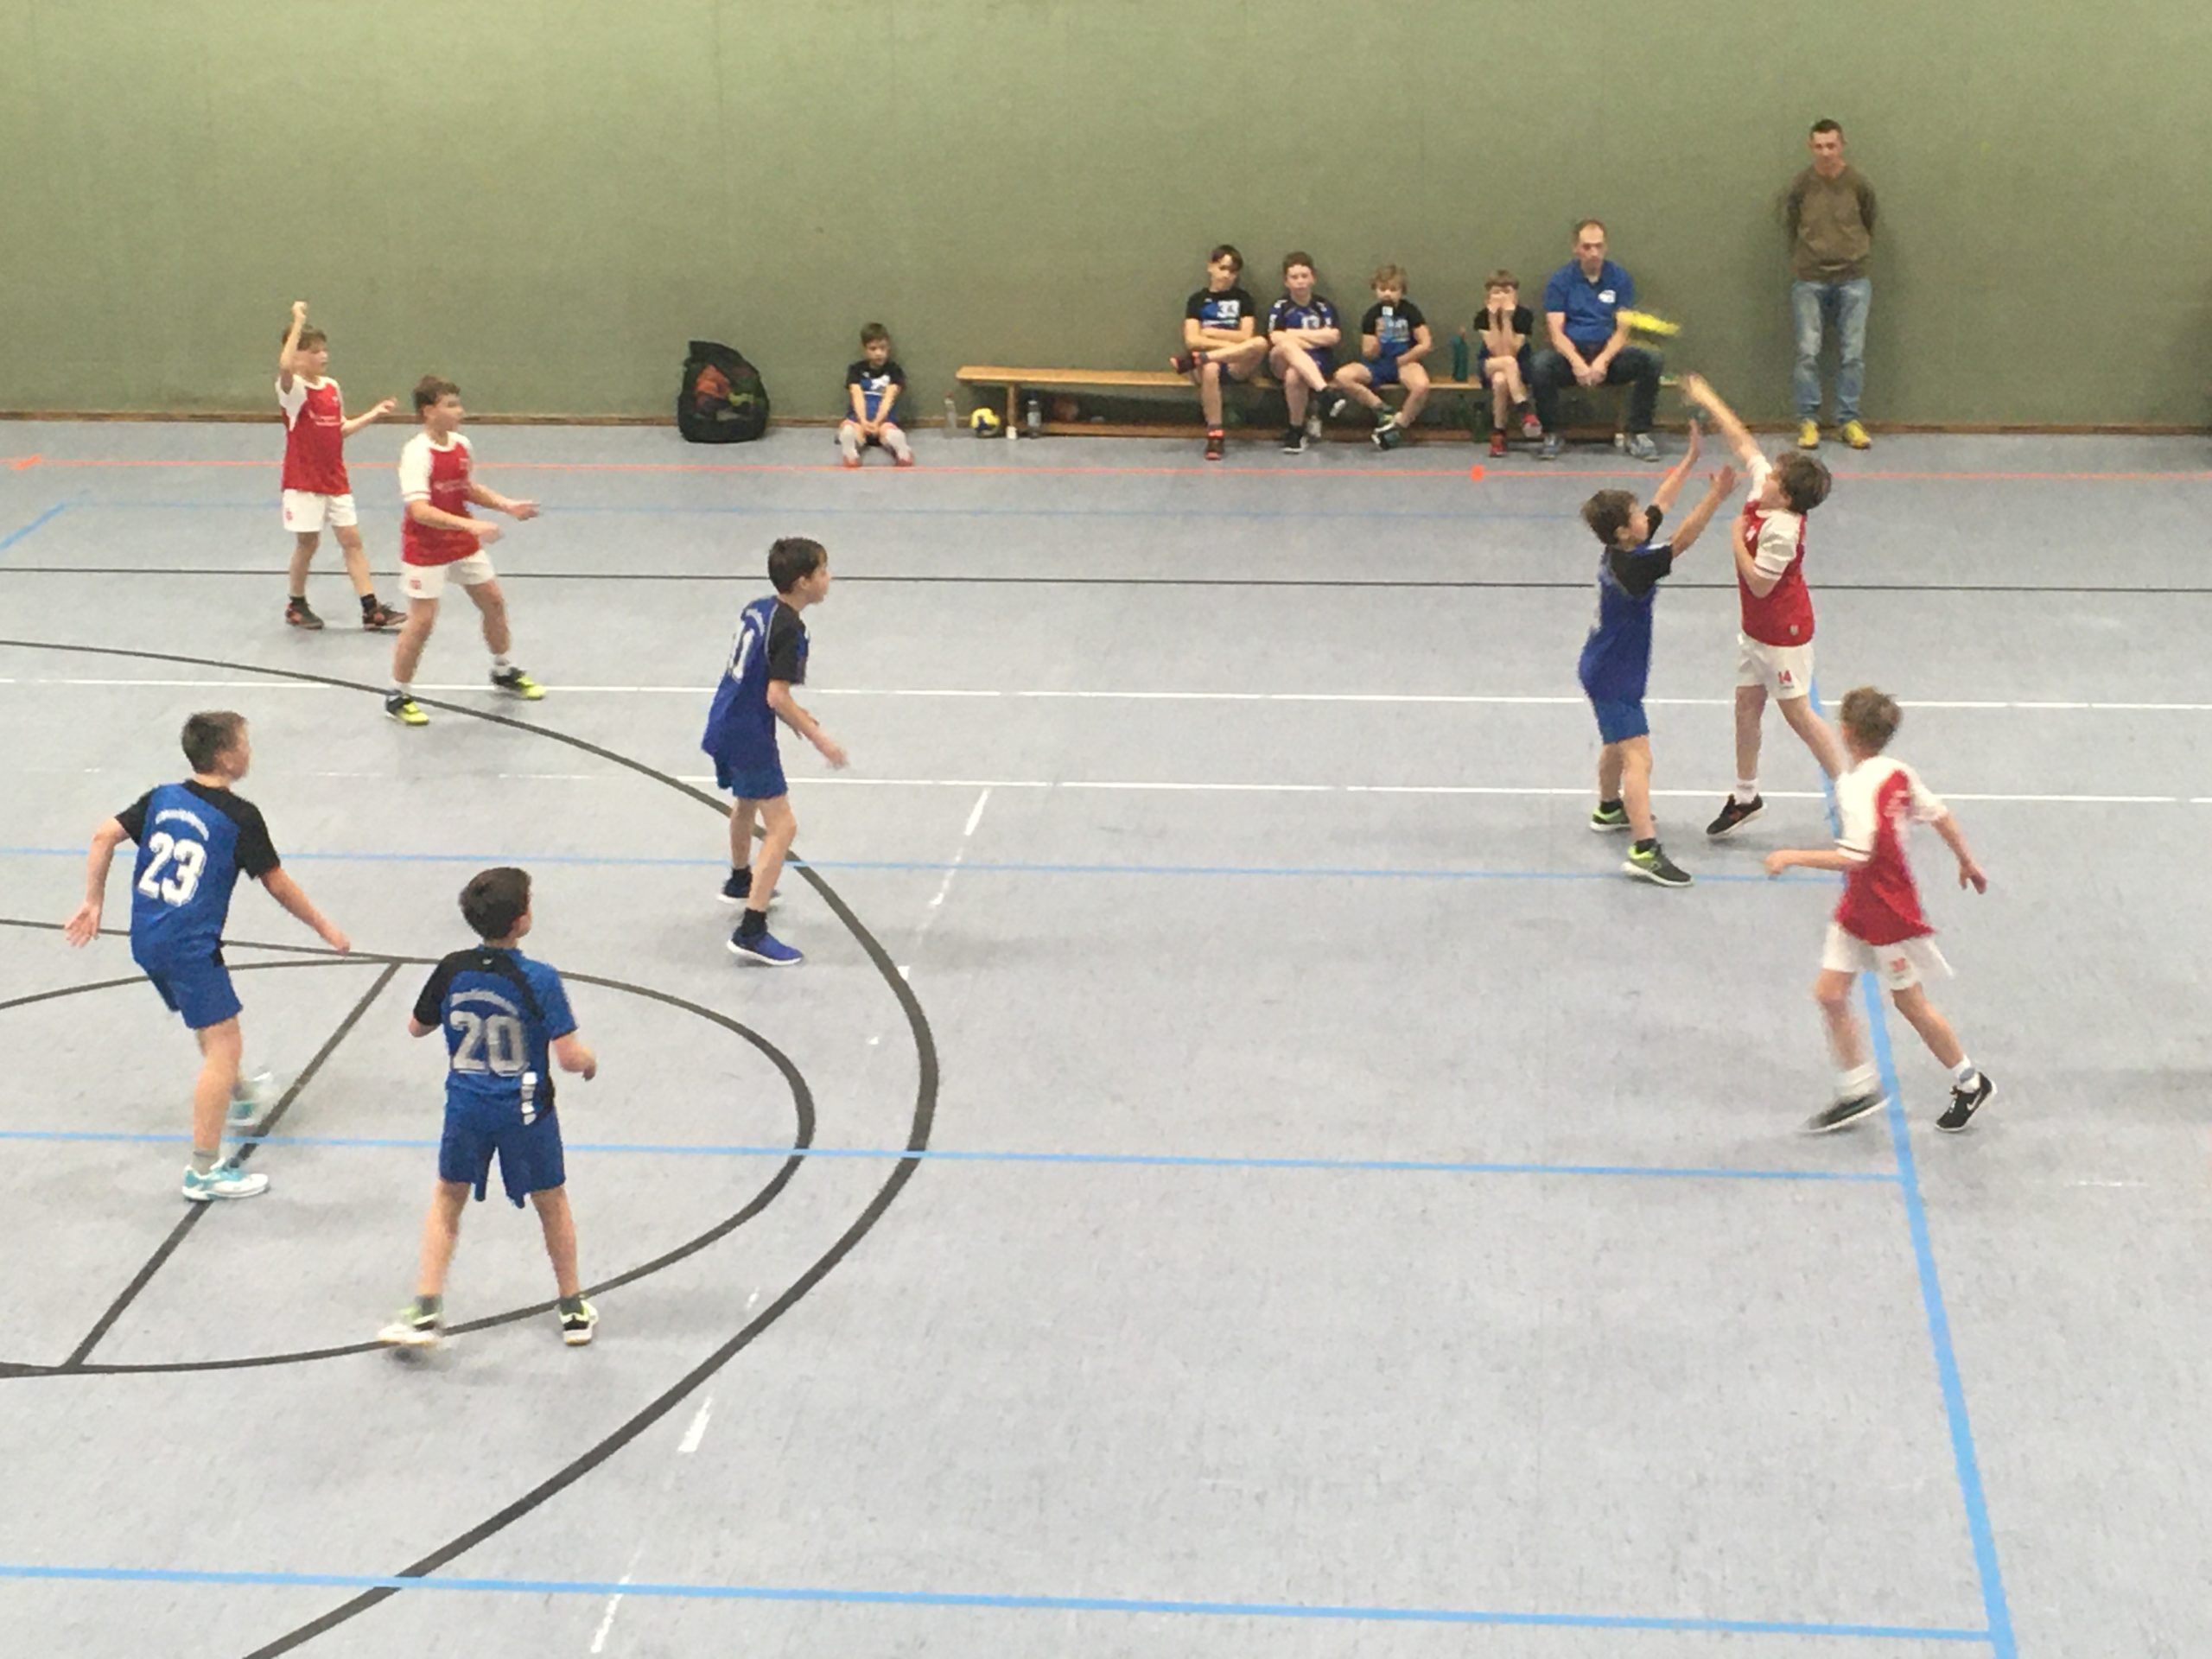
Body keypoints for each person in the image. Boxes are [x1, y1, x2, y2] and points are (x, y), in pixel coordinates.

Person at [62, 711, 351, 1201]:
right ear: (225, 756)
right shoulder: (240, 817)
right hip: (189, 947)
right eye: (243, 743)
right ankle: (203, 1170)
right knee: (224, 1046)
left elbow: (103, 835)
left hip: (147, 938)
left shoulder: (162, 797)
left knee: (210, 1023)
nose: (249, 751)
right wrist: (325, 927)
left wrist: (93, 900)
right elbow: (277, 884)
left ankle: (241, 1097)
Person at [378, 867, 601, 1348]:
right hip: (526, 1111)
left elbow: (417, 1027)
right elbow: (568, 1058)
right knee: (551, 1202)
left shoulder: (452, 968)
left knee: (447, 1198)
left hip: (467, 1108)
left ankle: (426, 1308)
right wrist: (588, 1062)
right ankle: (572, 1307)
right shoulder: (539, 978)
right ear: (521, 921)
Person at [1762, 688, 1995, 1134]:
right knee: (1830, 994)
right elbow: (1939, 815)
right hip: (1860, 905)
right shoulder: (1898, 772)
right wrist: (1966, 860)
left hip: (1887, 911)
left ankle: (1970, 1081)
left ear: (1846, 732)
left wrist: (1792, 855)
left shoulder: (1854, 787)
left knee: (1910, 1002)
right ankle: (1856, 1090)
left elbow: (1857, 855)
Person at [1680, 372, 1848, 836]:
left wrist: (1735, 536)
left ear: (1786, 496)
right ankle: (1745, 796)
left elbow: (1757, 583)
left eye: (1774, 475)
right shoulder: (1764, 493)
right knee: (1745, 707)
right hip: (1756, 630)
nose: (1766, 473)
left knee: (1799, 716)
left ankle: (1850, 790)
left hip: (1783, 634)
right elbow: (1743, 441)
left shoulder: (1783, 530)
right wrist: (1708, 397)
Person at [1577, 424, 1736, 887]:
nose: (1646, 515)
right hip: (1614, 674)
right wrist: (1716, 497)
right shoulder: (1634, 565)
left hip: (1604, 665)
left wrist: (1689, 460)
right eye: (1636, 515)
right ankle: (1645, 849)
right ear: (1624, 531)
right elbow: (1682, 541)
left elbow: (1661, 503)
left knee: (1615, 743)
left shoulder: (1625, 547)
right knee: (1639, 756)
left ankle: (1609, 808)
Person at [702, 536, 849, 966]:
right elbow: (776, 696)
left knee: (745, 800)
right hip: (749, 733)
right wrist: (819, 738)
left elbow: (759, 681)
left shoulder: (758, 608)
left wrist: (796, 714)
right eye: (823, 572)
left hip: (725, 716)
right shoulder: (791, 630)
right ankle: (751, 930)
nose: (829, 579)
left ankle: (739, 879)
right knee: (783, 826)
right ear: (803, 582)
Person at [385, 377, 543, 728]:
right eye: (451, 405)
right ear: (429, 411)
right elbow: (419, 511)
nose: (460, 412)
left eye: (458, 404)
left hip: (461, 543)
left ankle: (503, 670)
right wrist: (472, 526)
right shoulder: (417, 453)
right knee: (422, 621)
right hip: (425, 547)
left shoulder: (460, 444)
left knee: (493, 602)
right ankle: (398, 694)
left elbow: (466, 487)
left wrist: (506, 505)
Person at [276, 301, 403, 632]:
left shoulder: (331, 387)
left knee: (352, 541)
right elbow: (285, 366)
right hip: (304, 482)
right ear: (299, 355)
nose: (323, 356)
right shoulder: (293, 391)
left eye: (324, 350)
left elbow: (339, 429)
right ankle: (296, 604)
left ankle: (371, 609)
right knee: (308, 543)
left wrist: (373, 414)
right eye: (314, 351)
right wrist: (298, 320)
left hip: (335, 480)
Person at [1530, 221, 1664, 461]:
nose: (1594, 253)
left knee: (1652, 360)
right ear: (1576, 248)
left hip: (1609, 358)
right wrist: (1577, 363)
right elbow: (1556, 332)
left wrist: (1602, 361)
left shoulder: (1619, 278)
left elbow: (1623, 331)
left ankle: (1638, 433)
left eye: (1598, 246)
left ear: (1606, 247)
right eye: (1587, 247)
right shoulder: (1561, 280)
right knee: (1540, 365)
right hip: (1572, 358)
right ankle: (1552, 433)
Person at [1787, 119, 1878, 450]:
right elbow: (1790, 224)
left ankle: (1848, 421)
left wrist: (1852, 252)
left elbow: (1869, 219)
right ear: (1811, 147)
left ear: (1842, 146)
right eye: (1819, 146)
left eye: (1831, 146)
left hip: (1854, 279)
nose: (1826, 152)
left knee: (1852, 354)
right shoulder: (1801, 186)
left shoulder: (1858, 184)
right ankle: (1808, 422)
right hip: (1809, 280)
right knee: (1807, 353)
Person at [1169, 245, 1268, 461]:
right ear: (1210, 267)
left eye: (1232, 271)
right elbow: (1192, 339)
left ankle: (1197, 360)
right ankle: (1215, 435)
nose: (1226, 275)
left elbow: (1247, 337)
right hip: (1207, 366)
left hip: (1235, 365)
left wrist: (1210, 332)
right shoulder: (1197, 300)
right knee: (1211, 367)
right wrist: (1226, 342)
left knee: (1261, 342)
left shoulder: (1243, 299)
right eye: (1222, 268)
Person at [1329, 264, 1433, 450]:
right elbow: (1368, 353)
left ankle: (1398, 426)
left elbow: (1425, 344)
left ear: (1401, 291)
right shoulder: (1372, 315)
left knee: (1421, 385)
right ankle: (1382, 409)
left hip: (1404, 361)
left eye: (1393, 290)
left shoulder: (1410, 312)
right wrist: (1377, 337)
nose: (1387, 294)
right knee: (1343, 376)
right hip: (1377, 364)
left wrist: (1403, 359)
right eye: (1383, 289)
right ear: (1375, 290)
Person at [1265, 253, 1340, 454]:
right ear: (1286, 281)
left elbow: (1333, 336)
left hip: (1317, 361)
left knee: (1294, 374)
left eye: (1304, 276)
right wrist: (1315, 337)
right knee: (1285, 346)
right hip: (1281, 362)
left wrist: (1293, 334)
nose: (1300, 281)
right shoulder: (1280, 307)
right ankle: (1324, 392)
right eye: (1294, 277)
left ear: (1313, 278)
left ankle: (1296, 431)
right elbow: (1275, 337)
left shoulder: (1323, 306)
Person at [1472, 270, 1541, 458]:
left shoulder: (1524, 316)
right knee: (1505, 364)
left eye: (1507, 292)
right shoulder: (1482, 317)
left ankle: (1498, 434)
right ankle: (1524, 409)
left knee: (1501, 379)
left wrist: (1506, 319)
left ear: (1515, 295)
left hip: (1518, 367)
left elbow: (1511, 351)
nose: (1502, 297)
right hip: (1489, 363)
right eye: (1497, 292)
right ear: (1488, 296)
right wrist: (1493, 319)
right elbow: (1497, 351)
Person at [839, 323, 914, 467]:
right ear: (864, 349)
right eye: (873, 349)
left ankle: (902, 450)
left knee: (889, 431)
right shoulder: (856, 369)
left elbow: (889, 398)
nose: (878, 353)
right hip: (859, 419)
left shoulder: (894, 370)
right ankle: (850, 452)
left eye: (882, 348)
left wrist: (877, 422)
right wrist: (863, 420)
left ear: (888, 348)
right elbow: (857, 396)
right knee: (848, 428)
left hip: (883, 420)